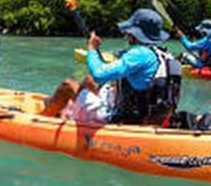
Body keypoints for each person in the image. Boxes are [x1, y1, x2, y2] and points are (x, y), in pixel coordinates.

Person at [42, 8, 181, 126]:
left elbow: (99, 73)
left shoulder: (138, 54)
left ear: (136, 34)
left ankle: (41, 119)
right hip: (151, 116)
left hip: (124, 120)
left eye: (129, 33)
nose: (126, 36)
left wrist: (91, 49)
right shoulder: (164, 54)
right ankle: (74, 113)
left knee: (68, 86)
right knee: (89, 80)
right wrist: (96, 53)